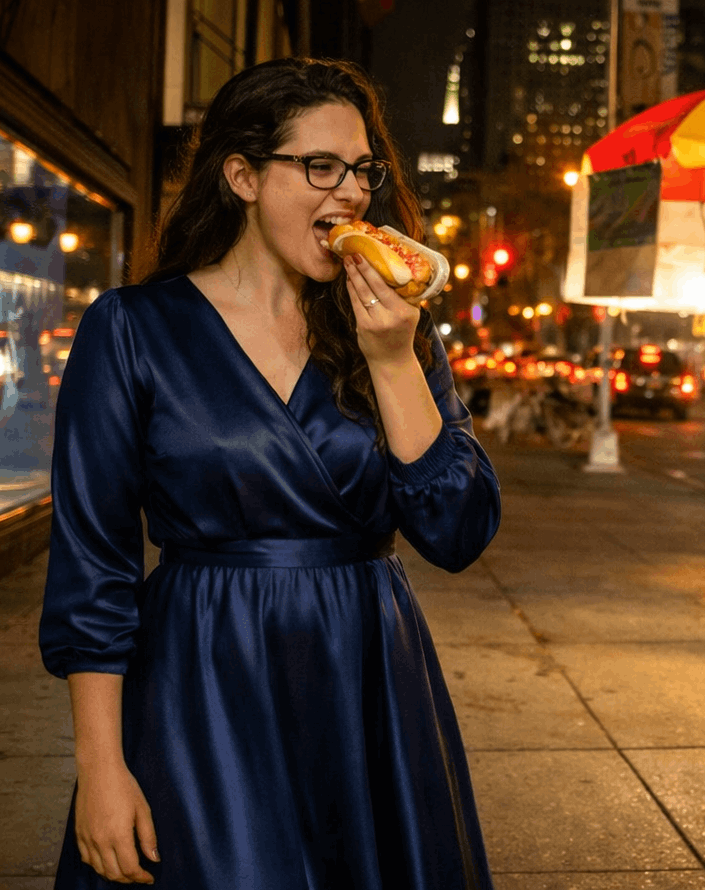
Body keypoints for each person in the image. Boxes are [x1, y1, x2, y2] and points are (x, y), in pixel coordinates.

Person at [39, 57, 501, 888]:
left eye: (363, 170)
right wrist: (101, 765)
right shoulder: (133, 329)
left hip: (372, 681)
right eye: (319, 166)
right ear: (243, 176)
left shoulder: (397, 328)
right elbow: (93, 565)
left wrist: (394, 361)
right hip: (202, 679)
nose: (352, 193)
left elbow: (458, 531)